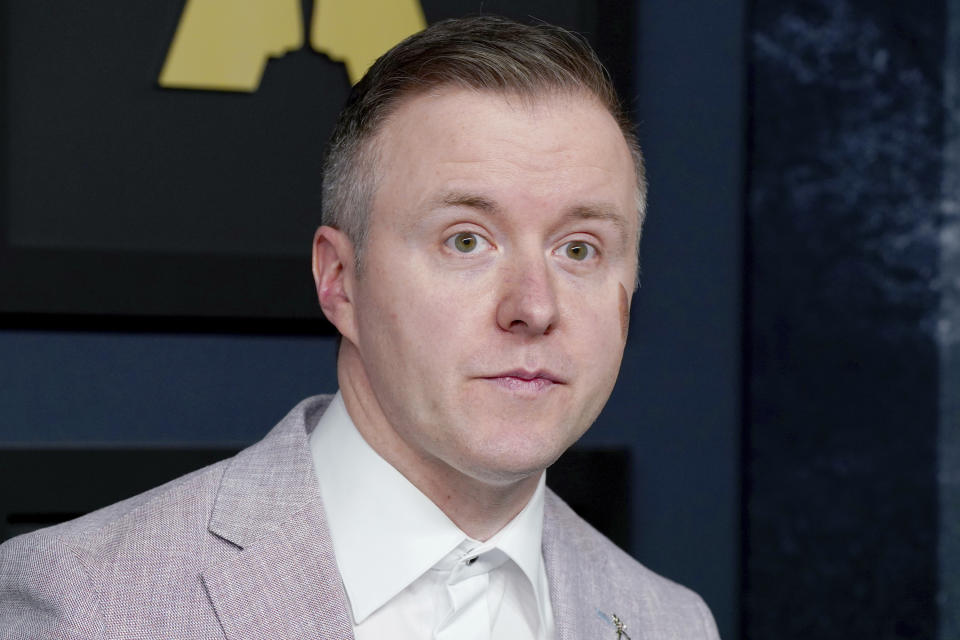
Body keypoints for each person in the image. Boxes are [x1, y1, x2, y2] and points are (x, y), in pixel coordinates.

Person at [0, 15, 720, 640]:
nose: (534, 305)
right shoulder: (86, 604)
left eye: (579, 249)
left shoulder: (669, 622)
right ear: (339, 282)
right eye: (466, 240)